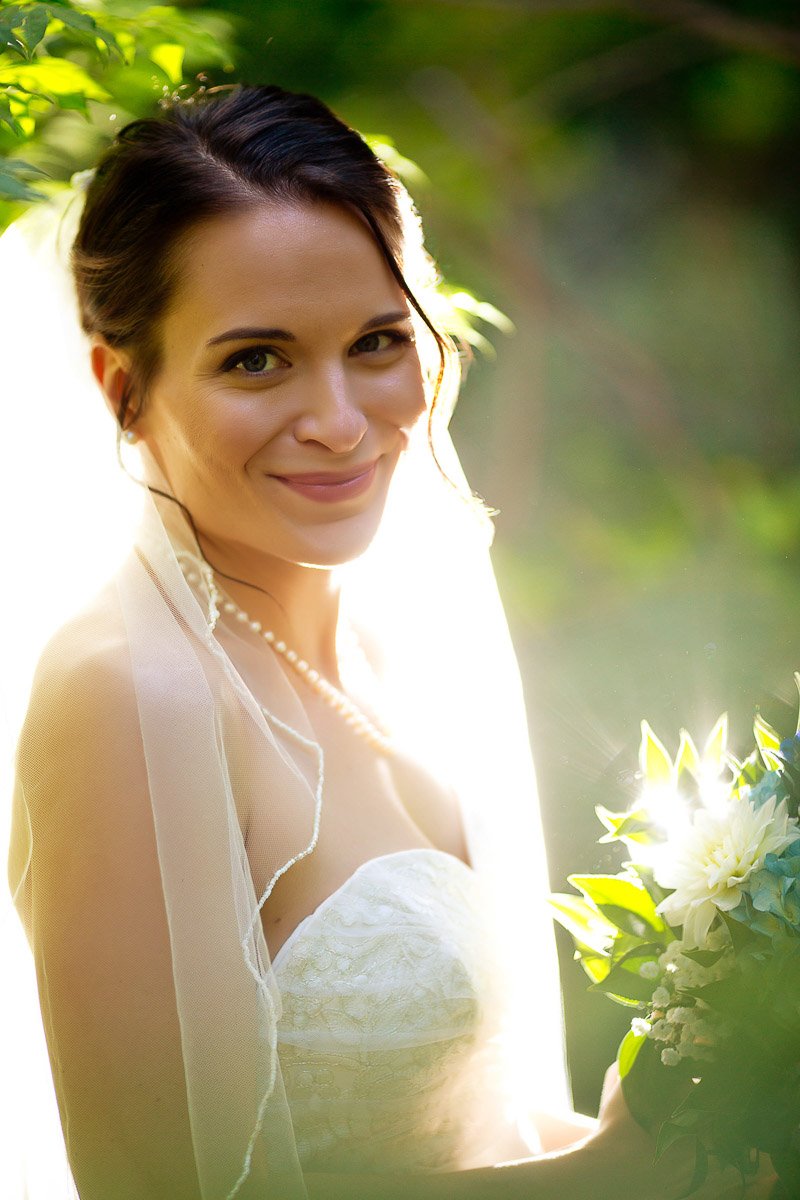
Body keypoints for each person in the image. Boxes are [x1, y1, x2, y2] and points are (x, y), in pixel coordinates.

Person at [3, 85, 774, 1200]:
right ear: (123, 388)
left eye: (375, 342)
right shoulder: (134, 693)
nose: (338, 419)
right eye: (255, 360)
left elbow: (451, 1140)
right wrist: (615, 1177)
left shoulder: (393, 644)